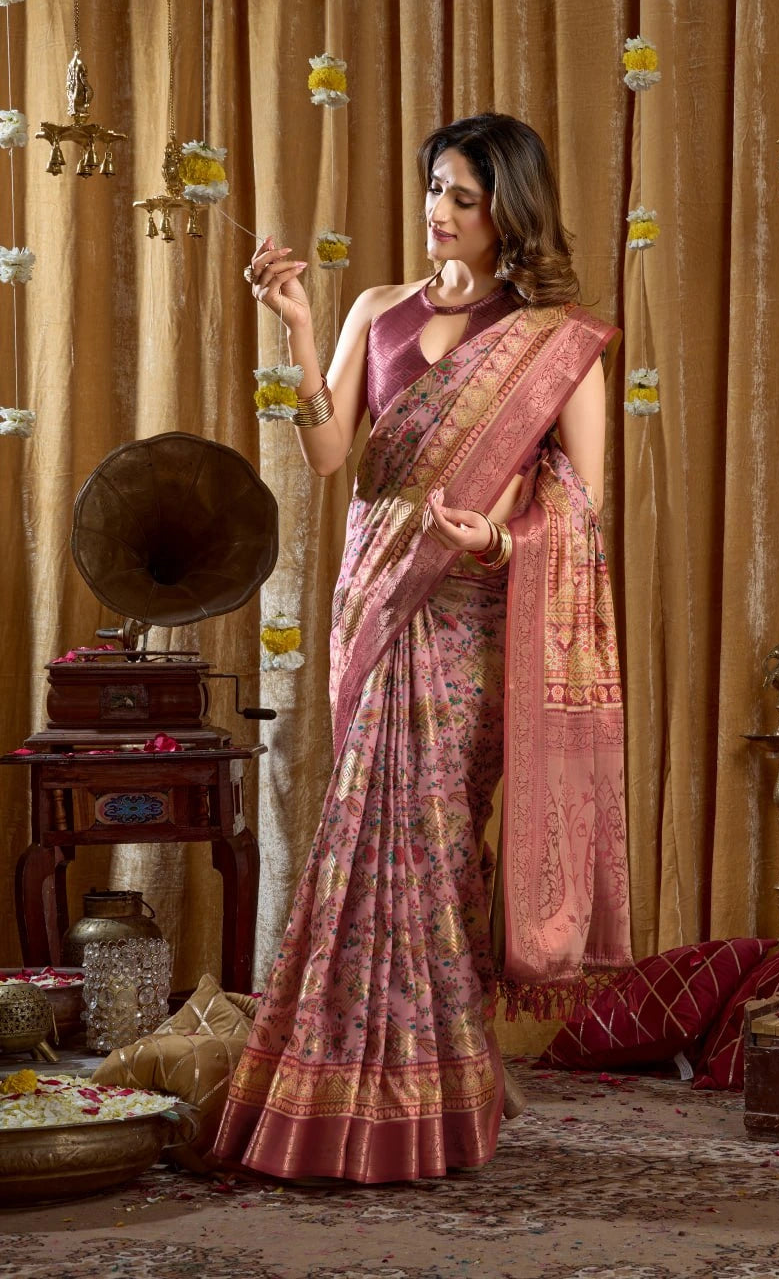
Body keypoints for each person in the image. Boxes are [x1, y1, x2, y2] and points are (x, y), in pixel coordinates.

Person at [214, 113, 632, 1184]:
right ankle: (343, 1081)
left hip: (474, 619)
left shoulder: (555, 341)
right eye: (433, 190)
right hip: (377, 606)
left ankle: (438, 1096)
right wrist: (301, 332)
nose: (439, 214)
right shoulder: (376, 308)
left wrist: (496, 537)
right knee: (362, 836)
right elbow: (327, 453)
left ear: (509, 213)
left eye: (463, 197)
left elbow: (584, 515)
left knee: (431, 851)